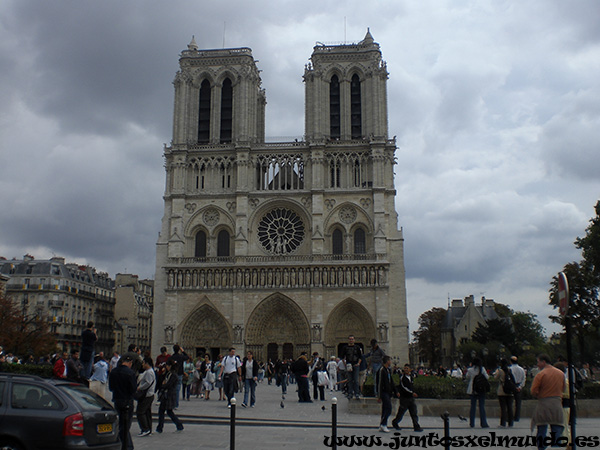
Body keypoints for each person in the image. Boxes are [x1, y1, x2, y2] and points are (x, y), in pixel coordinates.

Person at [531, 354, 565, 450]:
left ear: (543, 362)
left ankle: (542, 447)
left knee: (541, 428)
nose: (537, 364)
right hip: (557, 404)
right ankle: (556, 447)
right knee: (556, 428)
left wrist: (539, 394)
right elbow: (564, 388)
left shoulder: (541, 374)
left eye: (538, 362)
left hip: (544, 404)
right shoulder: (560, 373)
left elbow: (533, 390)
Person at [109, 354, 137, 450]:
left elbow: (111, 387)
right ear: (129, 363)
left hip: (117, 400)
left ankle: (125, 444)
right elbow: (133, 389)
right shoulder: (130, 373)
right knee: (126, 425)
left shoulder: (113, 372)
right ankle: (127, 446)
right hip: (127, 401)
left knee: (121, 423)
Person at [391, 364, 423, 432]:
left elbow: (411, 387)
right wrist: (412, 393)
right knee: (401, 413)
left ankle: (416, 426)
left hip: (411, 398)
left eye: (407, 368)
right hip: (404, 398)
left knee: (414, 413)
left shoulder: (411, 377)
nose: (405, 369)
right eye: (405, 368)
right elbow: (404, 388)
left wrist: (412, 393)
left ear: (410, 369)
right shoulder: (402, 378)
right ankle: (395, 422)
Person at [156, 359, 184, 433]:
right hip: (166, 395)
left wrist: (163, 385)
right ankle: (160, 427)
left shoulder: (174, 375)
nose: (166, 367)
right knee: (163, 411)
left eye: (167, 366)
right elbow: (161, 381)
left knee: (168, 411)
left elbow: (168, 385)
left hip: (169, 395)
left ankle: (178, 424)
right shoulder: (168, 373)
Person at [466, 358, 489, 428]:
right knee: (482, 406)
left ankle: (472, 423)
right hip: (481, 390)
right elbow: (487, 377)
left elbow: (467, 377)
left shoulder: (470, 370)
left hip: (473, 389)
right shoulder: (482, 369)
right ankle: (483, 423)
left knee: (473, 406)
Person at [135, 357, 156, 437]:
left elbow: (148, 383)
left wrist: (140, 388)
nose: (142, 365)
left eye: (143, 363)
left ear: (147, 363)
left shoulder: (149, 372)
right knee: (147, 412)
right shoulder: (149, 371)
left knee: (140, 412)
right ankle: (148, 429)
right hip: (149, 394)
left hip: (146, 395)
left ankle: (145, 429)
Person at [376, 355, 398, 433]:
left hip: (388, 392)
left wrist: (396, 391)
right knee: (389, 409)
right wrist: (379, 395)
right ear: (387, 361)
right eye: (390, 360)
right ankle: (383, 424)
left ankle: (382, 425)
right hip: (384, 392)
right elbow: (379, 383)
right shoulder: (381, 370)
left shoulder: (388, 370)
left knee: (385, 409)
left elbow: (391, 382)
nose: (391, 361)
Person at [494, 358, 514, 427]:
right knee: (510, 407)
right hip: (509, 391)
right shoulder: (509, 370)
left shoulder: (500, 371)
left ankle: (503, 423)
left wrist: (496, 371)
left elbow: (495, 378)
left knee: (503, 408)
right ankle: (511, 422)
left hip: (502, 390)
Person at [342, 335, 363, 399]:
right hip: (349, 365)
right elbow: (343, 357)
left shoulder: (357, 347)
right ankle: (350, 393)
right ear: (348, 340)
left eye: (352, 339)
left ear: (354, 340)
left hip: (355, 365)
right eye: (350, 339)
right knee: (350, 380)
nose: (351, 340)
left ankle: (357, 393)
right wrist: (346, 364)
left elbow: (360, 357)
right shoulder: (345, 348)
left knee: (356, 380)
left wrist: (358, 364)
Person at [509, 356, 526, 422]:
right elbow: (523, 379)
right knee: (518, 403)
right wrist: (520, 387)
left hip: (511, 386)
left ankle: (510, 416)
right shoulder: (521, 369)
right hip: (519, 385)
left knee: (510, 402)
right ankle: (517, 417)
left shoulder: (510, 369)